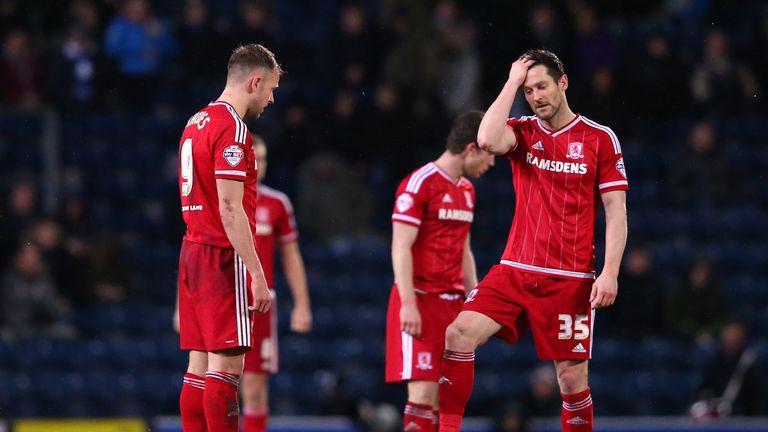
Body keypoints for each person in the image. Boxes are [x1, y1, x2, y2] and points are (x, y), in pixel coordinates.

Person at [437, 49, 628, 432]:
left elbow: (616, 209)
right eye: (528, 90)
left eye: (541, 86)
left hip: (569, 278)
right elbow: (486, 138)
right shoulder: (523, 132)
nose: (535, 95)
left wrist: (609, 273)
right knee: (457, 334)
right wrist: (510, 81)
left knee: (571, 382)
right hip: (515, 270)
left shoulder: (599, 139)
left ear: (563, 82)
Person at [176, 43, 280, 432]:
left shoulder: (195, 120)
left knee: (198, 366)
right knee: (226, 370)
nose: (270, 99)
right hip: (221, 255)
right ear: (255, 81)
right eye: (270, 89)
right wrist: (256, 274)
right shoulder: (234, 128)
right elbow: (230, 208)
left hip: (192, 249)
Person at [385, 110, 495, 431]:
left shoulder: (467, 191)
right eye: (488, 155)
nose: (491, 164)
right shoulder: (419, 184)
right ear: (471, 148)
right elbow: (400, 246)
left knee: (445, 399)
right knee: (421, 394)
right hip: (420, 299)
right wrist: (408, 302)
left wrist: (475, 303)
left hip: (452, 304)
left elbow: (464, 250)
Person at [241, 135, 312, 432]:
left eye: (264, 159)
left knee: (256, 386)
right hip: (224, 299)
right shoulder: (220, 200)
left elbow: (291, 257)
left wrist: (302, 306)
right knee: (217, 383)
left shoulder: (277, 203)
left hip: (261, 304)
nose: (259, 165)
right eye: (253, 159)